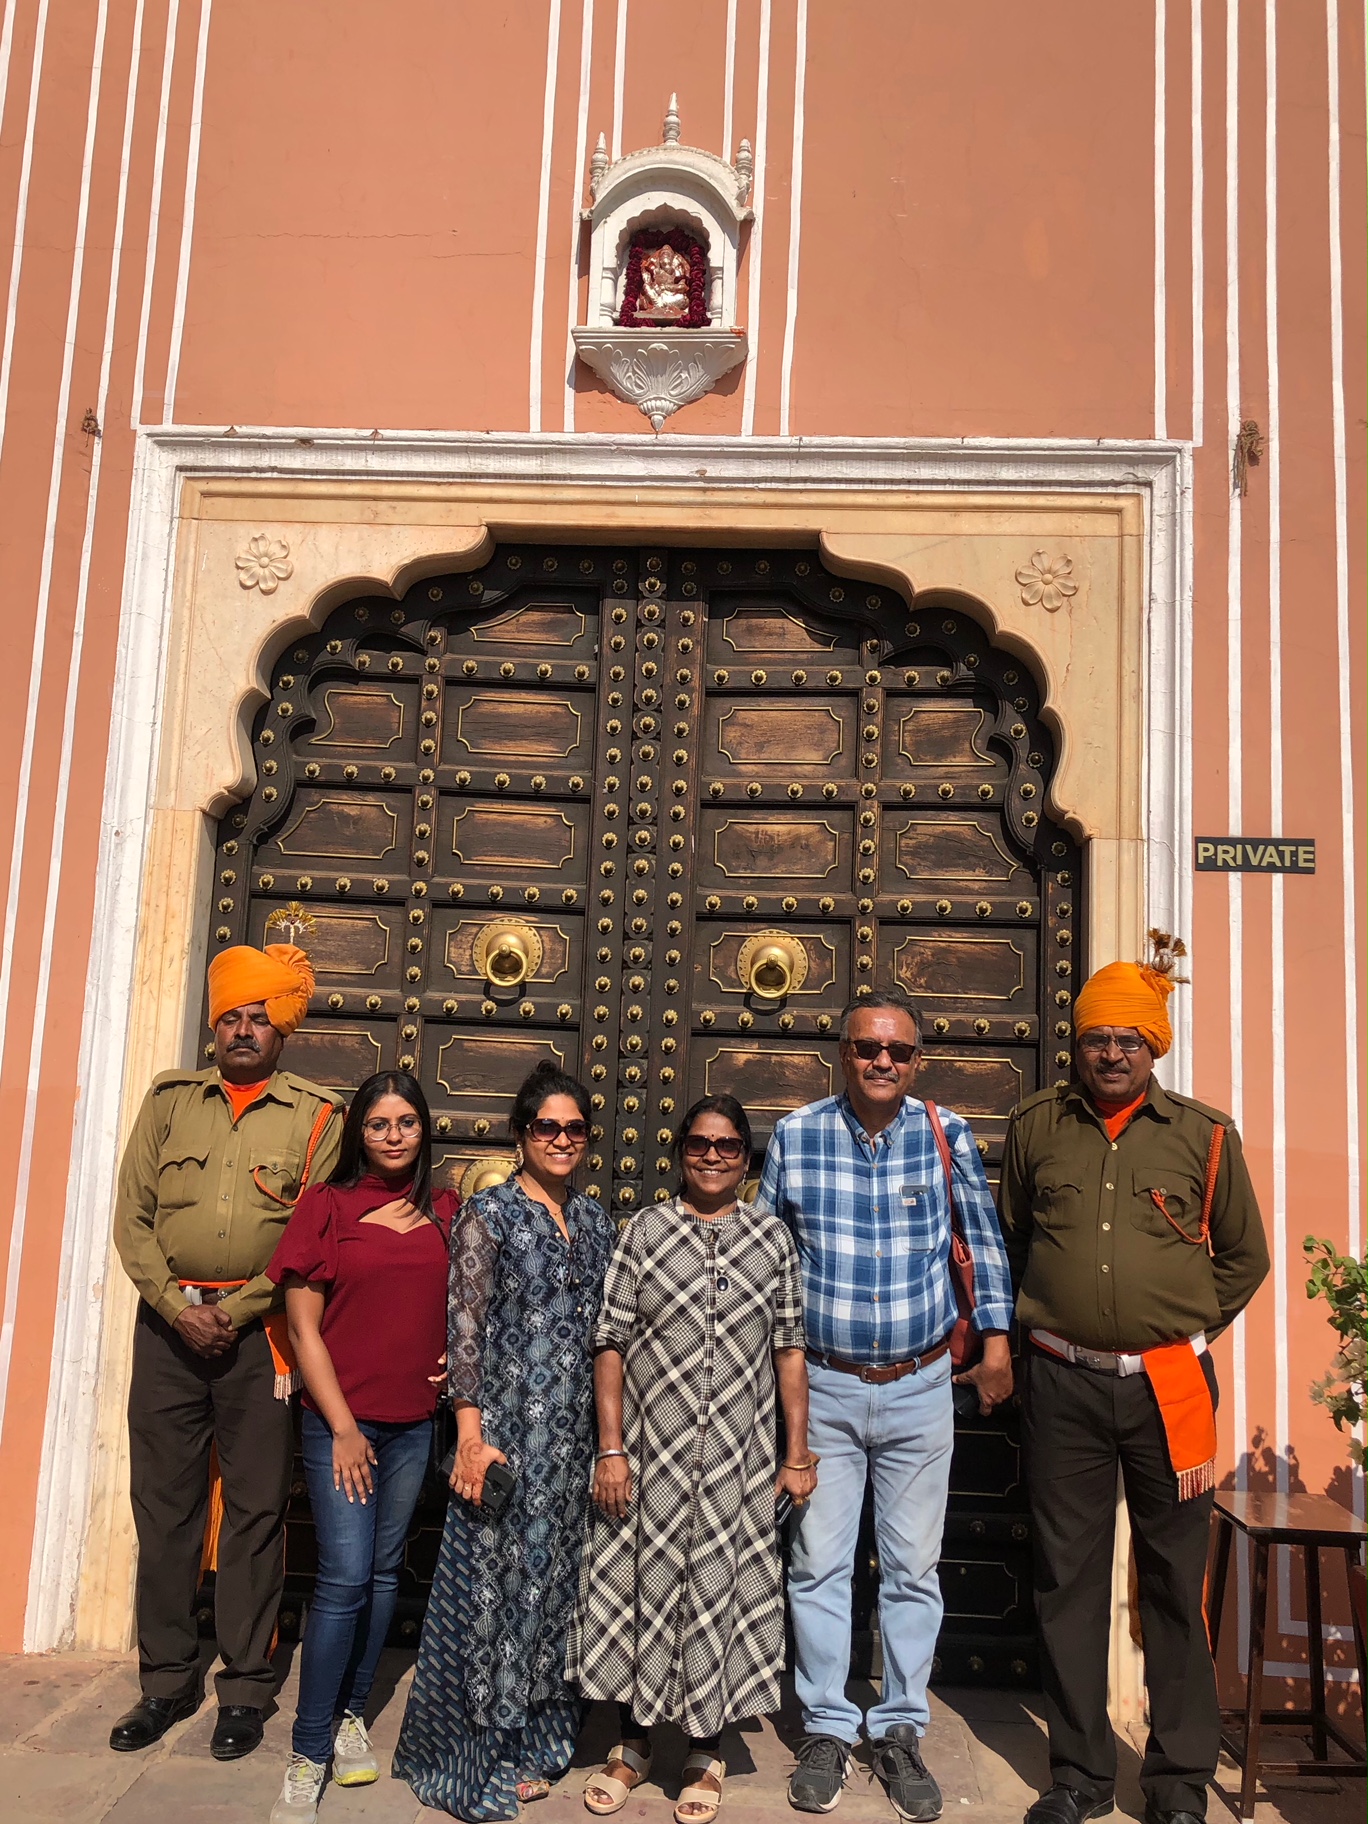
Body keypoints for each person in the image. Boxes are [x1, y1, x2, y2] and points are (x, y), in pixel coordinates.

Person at [997, 937, 1269, 1824]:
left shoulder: (1205, 1135)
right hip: (1062, 1386)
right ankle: (1077, 1776)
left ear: (1155, 1046)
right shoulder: (1037, 1126)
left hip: (1170, 1389)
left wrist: (1178, 1329)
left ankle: (1178, 1783)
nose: (1112, 1053)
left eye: (1129, 1039)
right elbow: (1015, 1237)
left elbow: (1245, 1257)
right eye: (1097, 1038)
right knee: (1066, 1581)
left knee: (1173, 1585)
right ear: (1076, 1044)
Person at [756, 988, 1014, 1821]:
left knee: (912, 1570)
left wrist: (997, 1343)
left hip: (919, 1387)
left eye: (898, 1051)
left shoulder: (947, 1134)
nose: (882, 1061)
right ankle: (827, 1727)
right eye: (868, 1047)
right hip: (823, 1388)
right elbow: (766, 1252)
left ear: (917, 1061)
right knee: (818, 1566)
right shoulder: (797, 1136)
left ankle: (900, 1727)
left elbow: (982, 1239)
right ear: (843, 1054)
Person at [109, 940, 343, 1759]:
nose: (243, 1030)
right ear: (214, 1029)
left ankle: (243, 1688)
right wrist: (178, 1309)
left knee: (254, 1511)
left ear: (282, 1030)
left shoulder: (317, 1117)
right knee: (163, 1509)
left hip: (259, 1338)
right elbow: (131, 1219)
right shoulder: (169, 1101)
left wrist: (233, 1311)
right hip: (166, 1330)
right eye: (231, 1018)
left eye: (259, 1018)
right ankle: (165, 1681)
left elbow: (306, 1238)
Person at [569, 1094, 818, 1824]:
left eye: (728, 1146)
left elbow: (789, 1350)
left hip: (738, 1460)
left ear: (746, 1158)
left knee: (719, 1595)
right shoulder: (644, 1231)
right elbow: (610, 1343)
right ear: (680, 1152)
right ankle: (634, 1745)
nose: (713, 1157)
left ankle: (706, 1753)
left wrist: (796, 1453)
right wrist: (610, 1448)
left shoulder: (771, 1239)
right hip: (650, 1454)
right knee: (636, 1593)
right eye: (700, 1144)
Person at [393, 1061, 617, 1820]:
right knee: (494, 1597)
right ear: (521, 1135)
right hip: (508, 1440)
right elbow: (465, 1328)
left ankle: (540, 1745)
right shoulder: (489, 1215)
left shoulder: (595, 1222)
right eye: (546, 1127)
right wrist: (469, 1435)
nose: (561, 1139)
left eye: (575, 1129)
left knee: (556, 1597)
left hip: (573, 1446)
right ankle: (474, 1757)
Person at [264, 1071, 459, 1824]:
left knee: (380, 1575)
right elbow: (303, 1327)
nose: (393, 1136)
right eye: (379, 1124)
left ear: (424, 1129)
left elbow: (466, 1304)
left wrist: (454, 1358)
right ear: (359, 1132)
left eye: (406, 1122)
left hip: (413, 1424)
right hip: (342, 1425)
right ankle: (307, 1752)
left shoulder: (444, 1210)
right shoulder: (327, 1206)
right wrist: (342, 1426)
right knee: (342, 1580)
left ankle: (350, 1715)